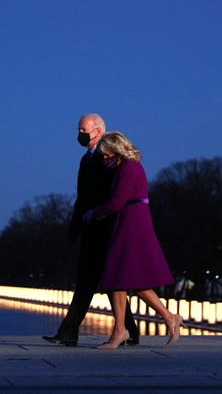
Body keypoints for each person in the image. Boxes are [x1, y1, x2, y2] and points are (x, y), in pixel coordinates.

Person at [42, 114, 139, 347]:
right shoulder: (87, 159)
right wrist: (76, 224)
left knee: (91, 280)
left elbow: (111, 196)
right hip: (91, 226)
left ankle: (69, 332)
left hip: (104, 227)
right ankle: (130, 331)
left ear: (98, 131)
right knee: (102, 281)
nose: (79, 133)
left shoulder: (107, 159)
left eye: (82, 129)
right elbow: (82, 197)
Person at [83, 131, 183, 349]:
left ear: (116, 151)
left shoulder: (128, 168)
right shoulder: (127, 167)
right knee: (125, 279)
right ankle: (161, 319)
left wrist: (94, 213)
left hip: (131, 223)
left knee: (123, 278)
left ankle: (124, 329)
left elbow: (117, 202)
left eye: (107, 155)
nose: (105, 159)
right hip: (131, 220)